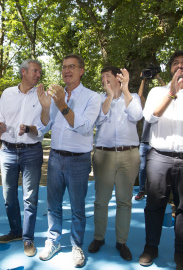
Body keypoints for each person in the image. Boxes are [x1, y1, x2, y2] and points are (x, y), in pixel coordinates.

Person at [37, 54, 101, 268]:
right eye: (64, 67)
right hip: (55, 158)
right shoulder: (55, 95)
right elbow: (44, 127)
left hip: (78, 161)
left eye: (71, 67)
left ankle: (76, 246)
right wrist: (47, 107)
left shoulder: (93, 97)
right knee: (53, 205)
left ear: (82, 70)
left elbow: (83, 127)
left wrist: (62, 104)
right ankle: (53, 241)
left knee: (77, 207)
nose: (66, 70)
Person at [88, 66, 143, 261]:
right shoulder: (99, 99)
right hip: (104, 155)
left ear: (118, 79)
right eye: (102, 77)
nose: (104, 80)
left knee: (124, 201)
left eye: (108, 77)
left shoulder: (133, 96)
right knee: (101, 200)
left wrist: (126, 90)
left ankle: (122, 241)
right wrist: (110, 97)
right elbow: (98, 120)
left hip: (129, 155)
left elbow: (137, 116)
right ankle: (98, 238)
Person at [0, 59, 44, 257]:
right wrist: (1, 127)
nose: (38, 74)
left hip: (32, 151)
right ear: (23, 72)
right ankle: (15, 231)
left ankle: (28, 238)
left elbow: (43, 128)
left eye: (40, 71)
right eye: (35, 71)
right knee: (9, 196)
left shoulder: (42, 96)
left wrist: (29, 129)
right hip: (7, 150)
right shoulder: (7, 93)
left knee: (29, 198)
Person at [139, 50, 183, 270]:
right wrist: (172, 94)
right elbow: (150, 117)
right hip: (159, 158)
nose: (180, 67)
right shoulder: (158, 91)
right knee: (154, 206)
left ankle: (180, 253)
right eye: (176, 63)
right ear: (170, 68)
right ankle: (150, 247)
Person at [135, 74, 166, 201]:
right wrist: (143, 80)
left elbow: (169, 91)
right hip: (144, 143)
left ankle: (155, 193)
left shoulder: (163, 107)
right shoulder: (145, 108)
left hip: (156, 144)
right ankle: (142, 190)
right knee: (142, 168)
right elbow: (139, 96)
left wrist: (158, 77)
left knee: (156, 171)